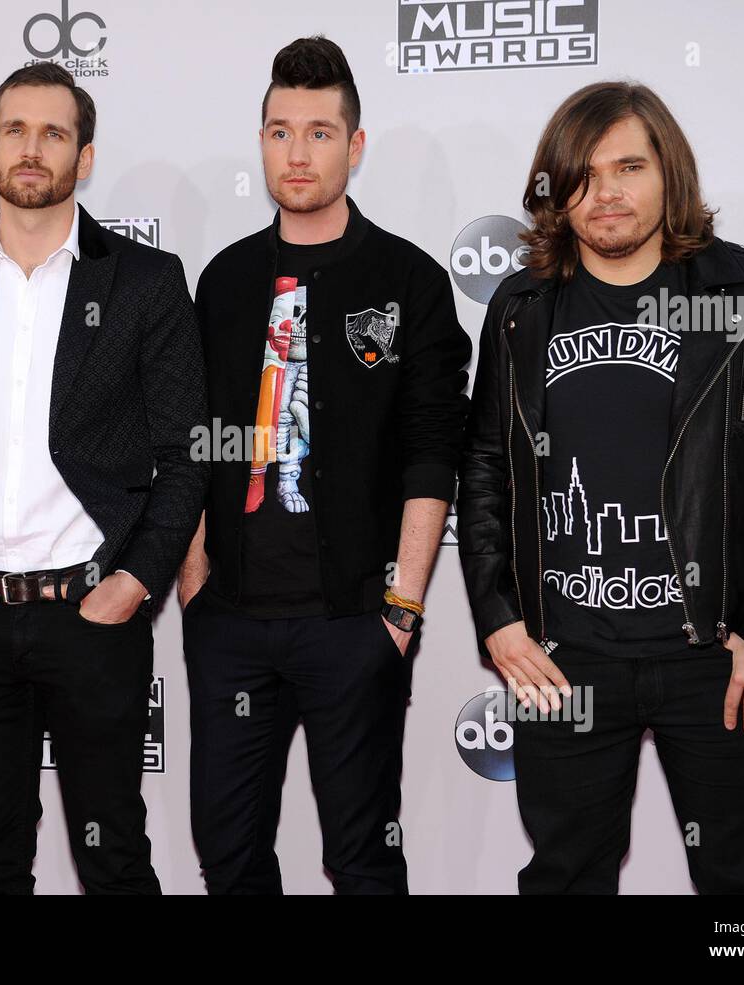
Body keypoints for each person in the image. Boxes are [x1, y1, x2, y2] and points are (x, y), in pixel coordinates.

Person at [457, 81, 744, 894]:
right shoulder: (522, 309)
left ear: (668, 173)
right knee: (565, 877)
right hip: (564, 661)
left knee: (743, 885)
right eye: (584, 173)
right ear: (557, 190)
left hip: (718, 658)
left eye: (629, 166)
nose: (606, 193)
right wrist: (498, 617)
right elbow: (487, 467)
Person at [0, 62, 208, 894]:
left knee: (114, 857)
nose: (33, 149)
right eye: (16, 131)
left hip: (93, 614)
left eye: (54, 133)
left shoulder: (145, 280)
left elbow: (186, 455)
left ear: (84, 156)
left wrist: (134, 582)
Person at [179, 36, 471, 894]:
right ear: (261, 141)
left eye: (318, 132)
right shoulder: (225, 281)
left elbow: (432, 452)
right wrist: (195, 584)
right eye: (279, 132)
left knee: (362, 861)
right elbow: (197, 440)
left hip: (354, 625)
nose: (296, 153)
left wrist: (401, 609)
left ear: (355, 144)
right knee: (229, 858)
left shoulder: (408, 280)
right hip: (230, 624)